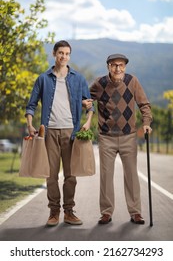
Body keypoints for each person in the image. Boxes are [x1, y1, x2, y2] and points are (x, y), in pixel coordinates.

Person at [25, 40, 93, 227]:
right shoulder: (43, 79)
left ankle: (69, 211)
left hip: (71, 132)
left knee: (71, 175)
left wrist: (87, 122)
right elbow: (31, 105)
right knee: (51, 175)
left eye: (67, 53)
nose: (64, 56)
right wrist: (30, 125)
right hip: (49, 132)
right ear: (54, 54)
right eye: (60, 53)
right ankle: (54, 212)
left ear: (69, 56)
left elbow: (89, 104)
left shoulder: (78, 79)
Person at [87, 53, 152, 225]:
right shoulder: (100, 83)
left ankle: (135, 212)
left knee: (131, 175)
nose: (118, 68)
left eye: (121, 65)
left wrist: (146, 123)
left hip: (129, 136)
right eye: (114, 65)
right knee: (106, 176)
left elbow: (144, 104)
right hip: (106, 137)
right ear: (108, 66)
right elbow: (86, 98)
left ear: (125, 67)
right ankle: (106, 213)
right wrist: (85, 103)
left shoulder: (132, 81)